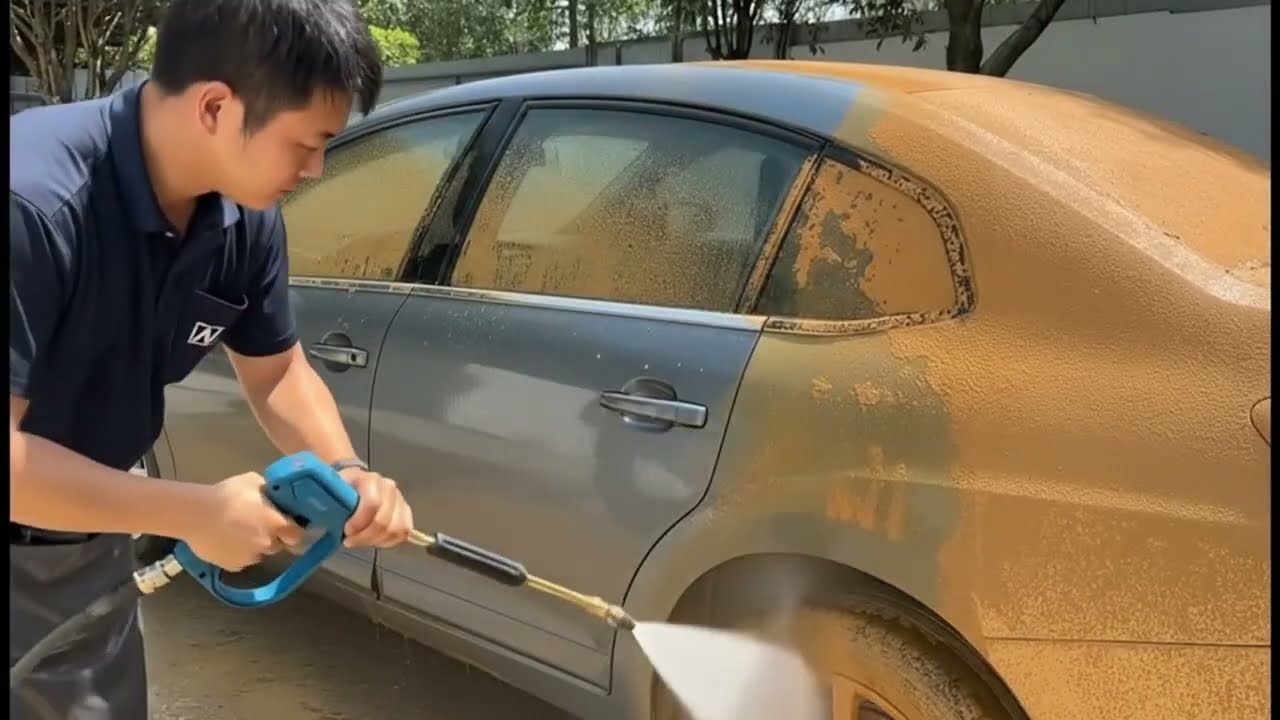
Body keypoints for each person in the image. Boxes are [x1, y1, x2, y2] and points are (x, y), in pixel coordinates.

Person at [9, 1, 414, 716]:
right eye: (306, 143)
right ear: (215, 108)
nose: (317, 168)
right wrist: (192, 512)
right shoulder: (34, 202)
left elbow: (278, 371)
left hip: (84, 540)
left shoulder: (242, 219)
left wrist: (346, 473)